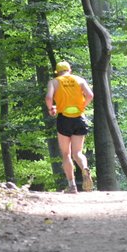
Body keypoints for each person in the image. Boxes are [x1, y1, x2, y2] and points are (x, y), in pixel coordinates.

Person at [45, 61, 94, 193]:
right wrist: (82, 106)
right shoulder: (79, 80)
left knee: (66, 154)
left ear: (57, 72)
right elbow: (90, 95)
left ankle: (72, 186)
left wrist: (51, 109)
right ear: (69, 70)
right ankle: (84, 168)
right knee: (77, 153)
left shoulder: (54, 82)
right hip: (79, 118)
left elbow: (49, 98)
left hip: (64, 119)